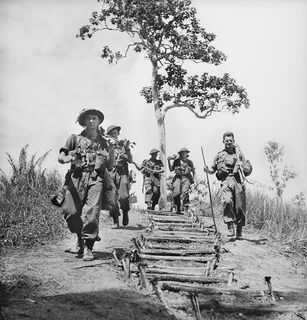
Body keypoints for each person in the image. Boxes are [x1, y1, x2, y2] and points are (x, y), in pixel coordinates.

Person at [58, 108, 115, 261]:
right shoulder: (74, 139)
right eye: (88, 118)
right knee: (72, 213)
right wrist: (66, 159)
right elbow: (61, 156)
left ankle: (89, 247)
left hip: (96, 178)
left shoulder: (104, 142)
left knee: (92, 212)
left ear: (98, 121)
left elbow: (110, 166)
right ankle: (79, 240)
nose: (91, 121)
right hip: (76, 177)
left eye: (94, 118)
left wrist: (113, 149)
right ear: (84, 121)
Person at [203, 131, 252, 239]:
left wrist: (241, 165)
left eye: (231, 140)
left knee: (239, 206)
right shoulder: (219, 155)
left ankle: (239, 229)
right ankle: (230, 225)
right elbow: (213, 169)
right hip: (226, 180)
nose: (229, 142)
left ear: (234, 141)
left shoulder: (239, 154)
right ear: (223, 141)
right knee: (227, 201)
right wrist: (207, 170)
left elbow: (246, 167)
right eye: (227, 141)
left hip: (238, 180)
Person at [106, 125, 132, 227]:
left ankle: (125, 212)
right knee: (111, 197)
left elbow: (130, 160)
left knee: (124, 196)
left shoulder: (123, 146)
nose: (114, 135)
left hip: (122, 173)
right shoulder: (105, 145)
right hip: (110, 173)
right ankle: (115, 218)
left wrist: (127, 149)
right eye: (111, 134)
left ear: (118, 134)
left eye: (115, 133)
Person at [168, 148, 196, 214]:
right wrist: (169, 161)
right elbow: (171, 169)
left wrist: (194, 181)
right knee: (176, 192)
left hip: (186, 178)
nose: (184, 154)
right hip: (177, 177)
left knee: (185, 192)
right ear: (180, 154)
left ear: (187, 154)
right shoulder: (176, 161)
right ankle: (178, 208)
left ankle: (186, 208)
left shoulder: (189, 162)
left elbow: (194, 172)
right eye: (182, 153)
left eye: (185, 152)